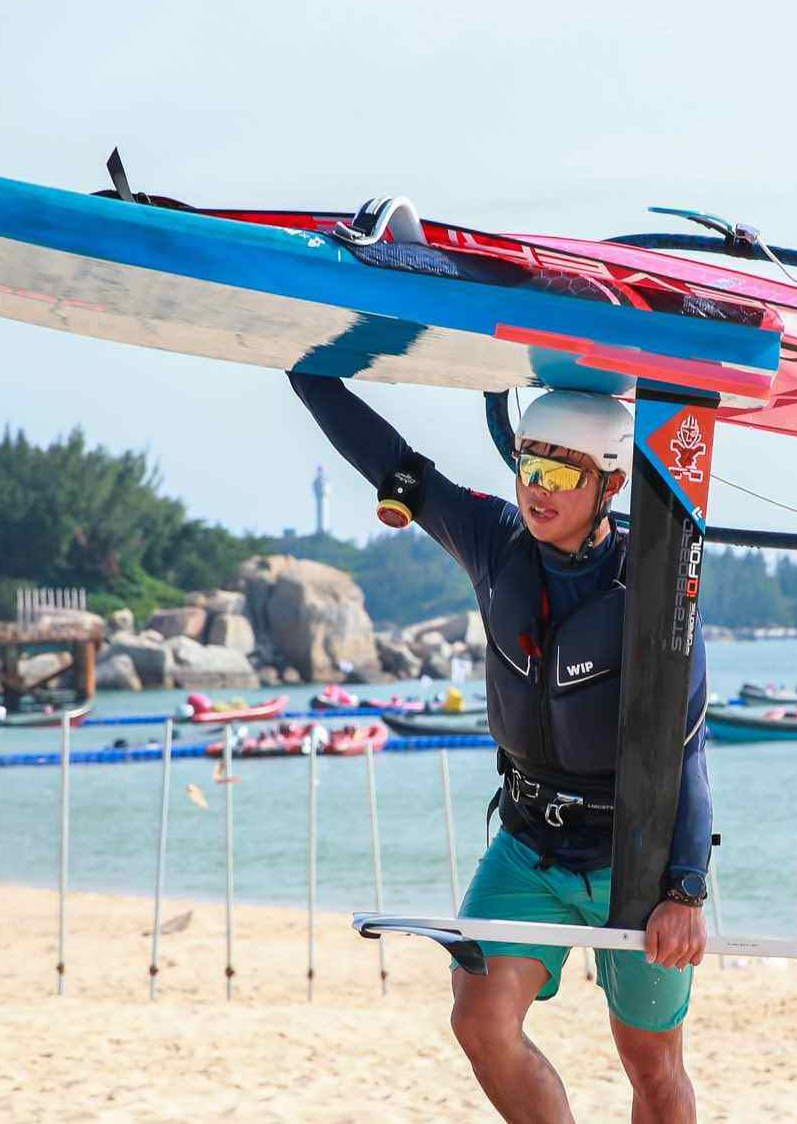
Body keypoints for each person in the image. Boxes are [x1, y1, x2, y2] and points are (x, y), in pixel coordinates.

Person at [290, 373, 712, 1123]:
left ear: (612, 484)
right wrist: (304, 368)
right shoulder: (494, 541)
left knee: (652, 1066)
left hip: (633, 857)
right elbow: (392, 461)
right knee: (480, 1020)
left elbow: (687, 750)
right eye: (528, 465)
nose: (536, 488)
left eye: (560, 474)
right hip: (527, 844)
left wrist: (684, 892)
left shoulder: (651, 589)